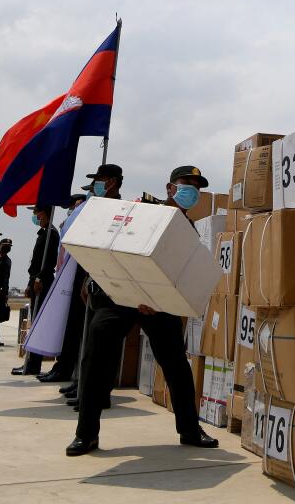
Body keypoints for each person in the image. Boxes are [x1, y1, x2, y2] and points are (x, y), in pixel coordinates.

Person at [67, 165, 219, 456]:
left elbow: (178, 273)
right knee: (94, 361)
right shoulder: (146, 209)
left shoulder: (187, 228)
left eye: (196, 187)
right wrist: (92, 278)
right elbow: (113, 244)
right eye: (185, 183)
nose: (191, 190)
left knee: (176, 364)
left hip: (157, 306)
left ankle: (190, 429)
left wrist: (159, 296)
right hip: (120, 299)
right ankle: (85, 434)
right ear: (169, 187)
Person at [44, 168, 121, 387]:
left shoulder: (119, 209)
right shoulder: (93, 208)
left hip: (105, 280)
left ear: (113, 182)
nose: (96, 185)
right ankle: (83, 384)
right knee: (84, 333)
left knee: (102, 339)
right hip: (86, 277)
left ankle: (98, 389)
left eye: (100, 180)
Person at [12, 204, 60, 376]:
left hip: (43, 282)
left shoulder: (50, 234)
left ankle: (33, 365)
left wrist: (39, 278)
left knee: (37, 325)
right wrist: (30, 282)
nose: (35, 216)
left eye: (36, 212)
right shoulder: (44, 233)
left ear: (44, 213)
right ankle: (30, 363)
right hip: (36, 281)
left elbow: (49, 260)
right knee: (34, 323)